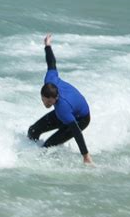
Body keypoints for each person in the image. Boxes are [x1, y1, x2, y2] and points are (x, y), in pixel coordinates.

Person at [28, 34, 93, 164]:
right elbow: (51, 63)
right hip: (69, 111)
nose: (46, 104)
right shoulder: (50, 80)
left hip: (81, 119)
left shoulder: (62, 108)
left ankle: (55, 161)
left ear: (55, 98)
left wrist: (85, 155)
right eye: (43, 100)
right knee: (33, 130)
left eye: (48, 102)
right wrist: (47, 45)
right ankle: (31, 151)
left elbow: (76, 132)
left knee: (47, 147)